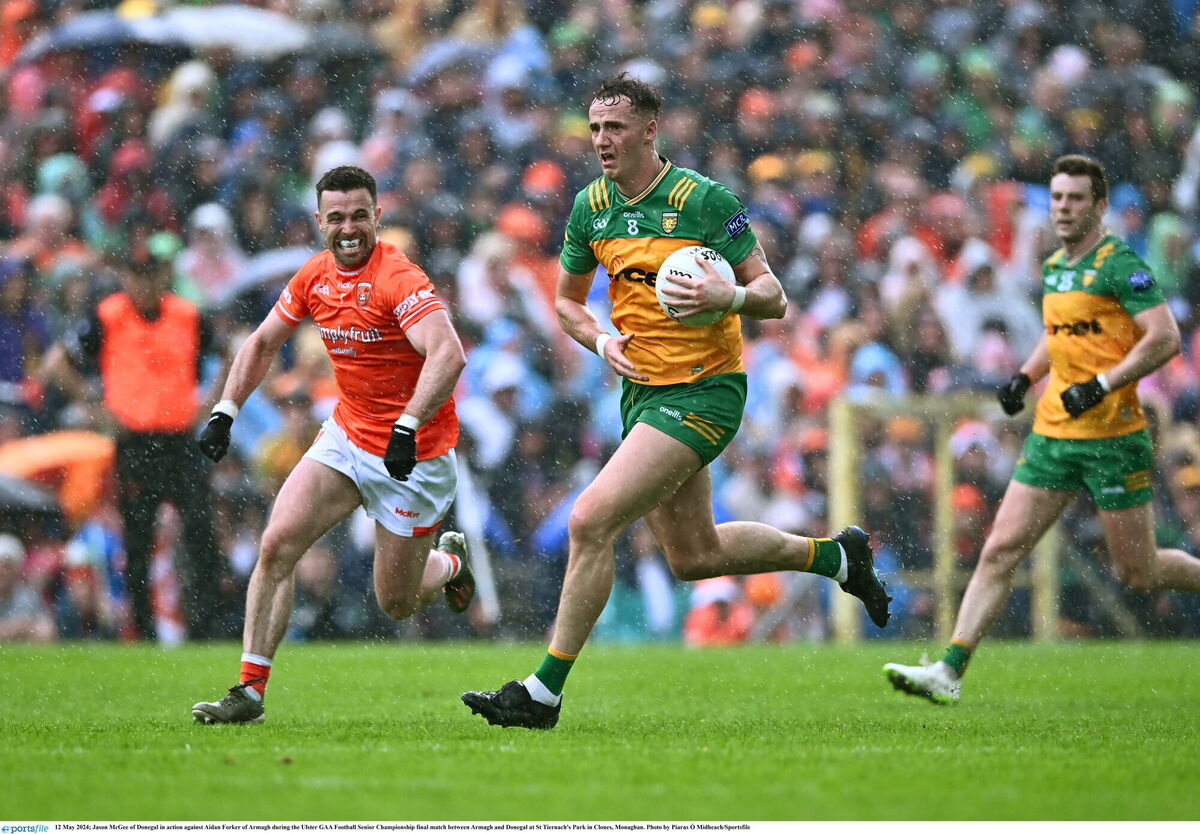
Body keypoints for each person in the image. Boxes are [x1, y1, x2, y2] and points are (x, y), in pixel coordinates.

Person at [462, 73, 890, 730]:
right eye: (596, 128)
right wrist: (601, 343)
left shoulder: (705, 200)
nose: (602, 140)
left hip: (705, 391)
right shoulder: (591, 206)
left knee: (589, 521)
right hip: (641, 393)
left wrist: (730, 299)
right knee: (695, 556)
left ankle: (543, 692)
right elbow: (567, 303)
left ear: (650, 130)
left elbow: (773, 294)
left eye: (615, 128)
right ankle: (835, 555)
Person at [884, 155, 1200, 704]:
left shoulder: (1120, 265)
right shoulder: (1055, 266)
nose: (1063, 208)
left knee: (1141, 570)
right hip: (1054, 433)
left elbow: (1165, 337)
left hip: (1111, 438)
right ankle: (948, 671)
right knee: (1000, 549)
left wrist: (1102, 383)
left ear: (1099, 207)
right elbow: (1059, 336)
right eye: (1056, 198)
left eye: (1076, 199)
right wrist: (1025, 375)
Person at [190, 166, 474, 724]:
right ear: (320, 222)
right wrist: (225, 411)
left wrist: (408, 424)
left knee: (395, 602)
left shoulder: (399, 277)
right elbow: (262, 342)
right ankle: (249, 692)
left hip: (412, 454)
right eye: (337, 217)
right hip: (346, 438)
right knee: (277, 546)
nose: (349, 228)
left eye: (359, 215)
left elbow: (449, 354)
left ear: (377, 217)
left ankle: (449, 564)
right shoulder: (313, 275)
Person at [41, 250, 226, 642]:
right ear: (124, 275)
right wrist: (93, 406)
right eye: (136, 273)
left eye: (151, 273)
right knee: (137, 540)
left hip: (179, 441)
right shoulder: (109, 315)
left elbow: (233, 354)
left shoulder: (186, 314)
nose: (144, 283)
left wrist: (210, 405)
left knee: (200, 532)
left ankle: (205, 626)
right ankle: (141, 631)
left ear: (164, 273)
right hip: (135, 443)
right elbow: (57, 362)